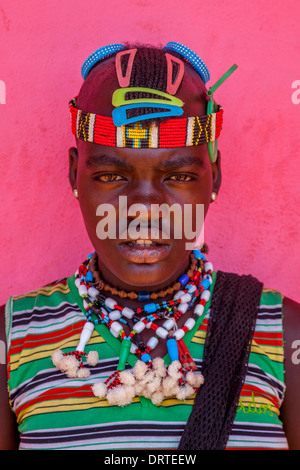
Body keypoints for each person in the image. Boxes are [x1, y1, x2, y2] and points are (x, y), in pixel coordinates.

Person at [1, 42, 300, 451]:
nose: (143, 208)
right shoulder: (13, 338)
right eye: (110, 176)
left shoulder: (285, 336)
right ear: (75, 176)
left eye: (177, 177)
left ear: (214, 178)